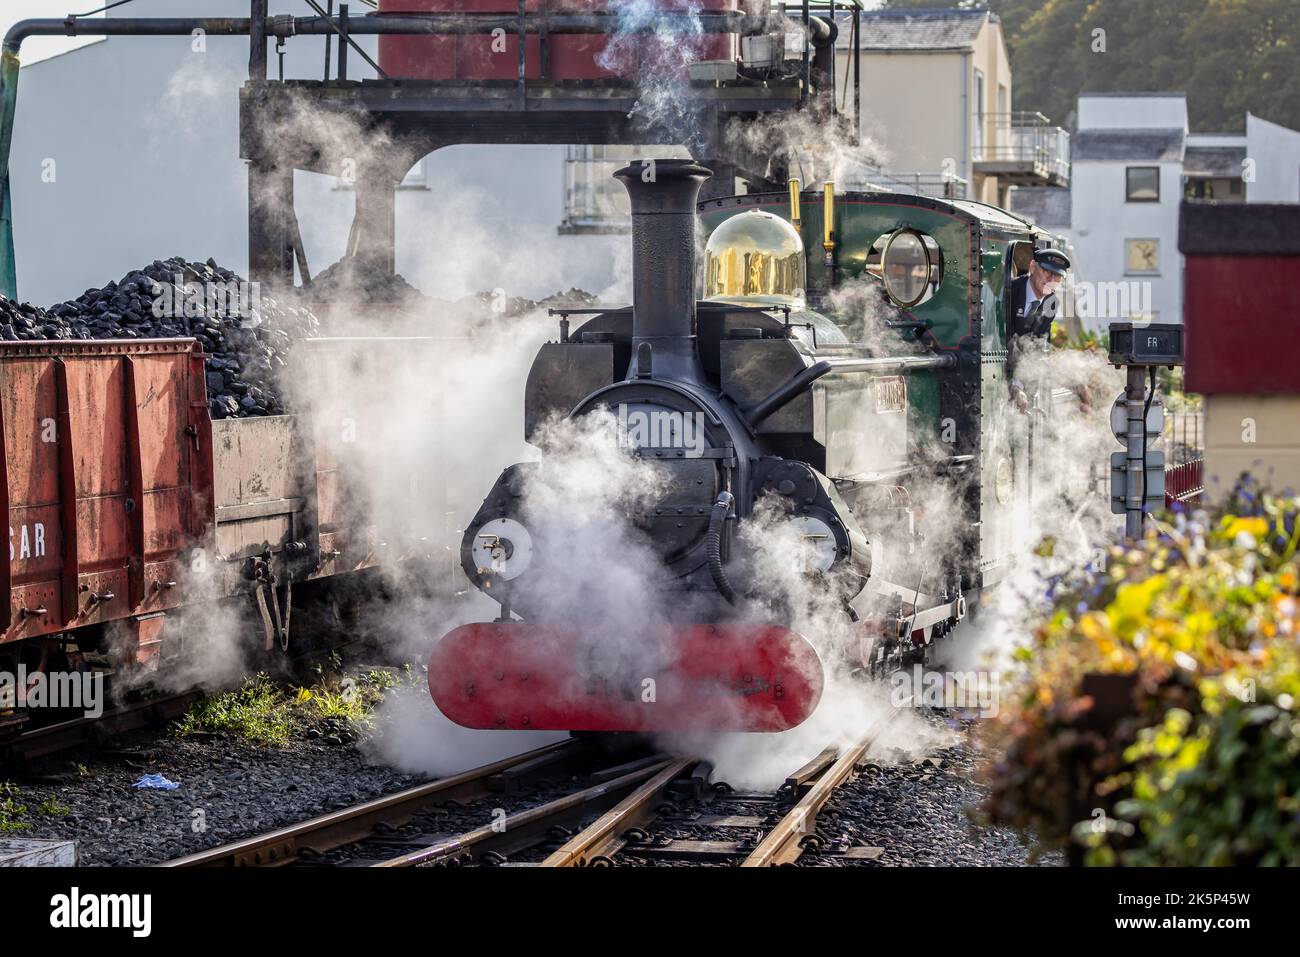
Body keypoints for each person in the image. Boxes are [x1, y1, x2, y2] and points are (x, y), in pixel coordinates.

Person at [1008, 248, 1071, 412]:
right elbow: (1001, 340)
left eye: (1057, 276)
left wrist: (1020, 384)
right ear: (1033, 267)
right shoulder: (1009, 292)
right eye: (1046, 271)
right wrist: (1012, 385)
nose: (1051, 279)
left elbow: (1036, 345)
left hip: (1018, 380)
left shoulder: (1052, 302)